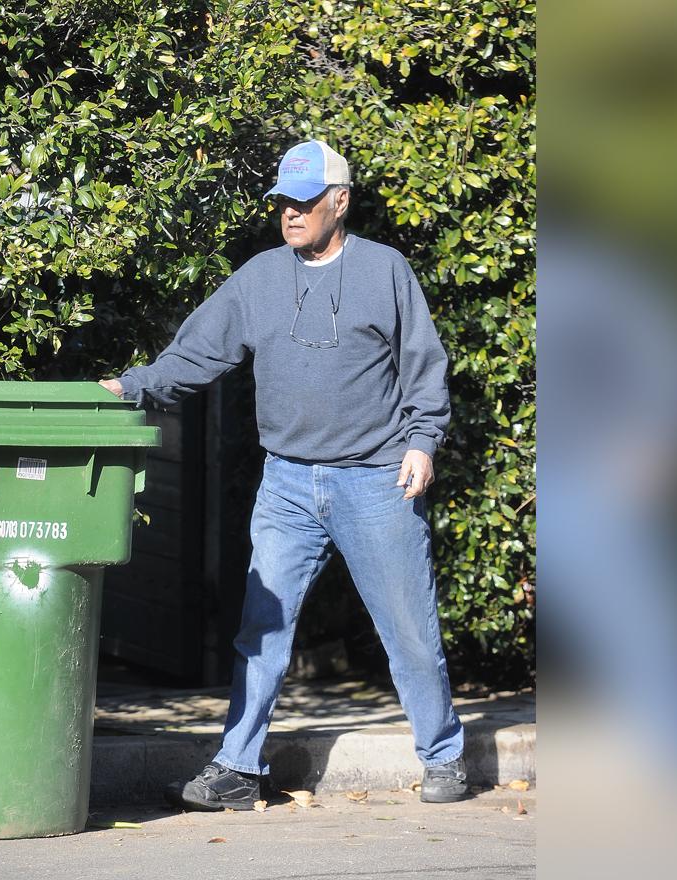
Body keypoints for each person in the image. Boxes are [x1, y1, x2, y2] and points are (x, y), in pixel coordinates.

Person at [98, 140, 467, 809]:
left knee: (409, 630)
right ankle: (238, 767)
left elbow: (423, 363)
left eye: (304, 201)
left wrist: (422, 441)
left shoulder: (385, 271)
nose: (291, 214)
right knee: (260, 630)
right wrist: (134, 387)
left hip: (376, 478)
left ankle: (442, 756)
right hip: (288, 483)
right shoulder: (262, 278)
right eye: (282, 203)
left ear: (340, 201)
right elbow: (200, 351)